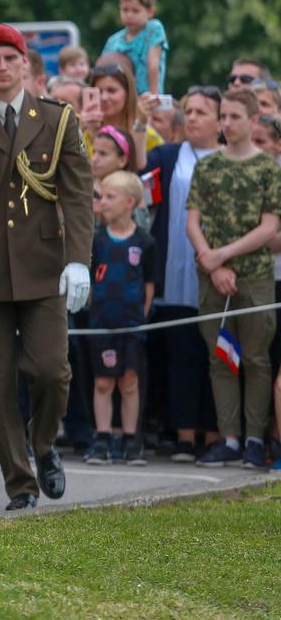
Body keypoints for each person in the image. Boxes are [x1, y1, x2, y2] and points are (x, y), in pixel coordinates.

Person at [0, 23, 92, 510]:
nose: (2, 68)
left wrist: (77, 262)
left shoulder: (56, 119)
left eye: (10, 59)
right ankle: (19, 483)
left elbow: (76, 197)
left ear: (28, 66)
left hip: (43, 265)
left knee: (53, 370)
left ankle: (45, 443)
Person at [186, 88, 281, 468]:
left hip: (255, 275)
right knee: (220, 357)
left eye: (234, 117)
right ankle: (228, 439)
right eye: (222, 116)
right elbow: (193, 221)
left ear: (254, 120)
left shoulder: (268, 168)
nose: (226, 124)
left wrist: (224, 255)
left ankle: (255, 439)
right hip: (212, 276)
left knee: (256, 358)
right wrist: (213, 264)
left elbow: (270, 226)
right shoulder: (207, 166)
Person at [141, 87, 222, 462]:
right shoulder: (171, 155)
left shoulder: (229, 161)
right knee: (181, 355)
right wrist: (141, 123)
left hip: (219, 274)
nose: (191, 118)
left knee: (218, 358)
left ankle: (216, 433)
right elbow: (139, 173)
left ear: (220, 121)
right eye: (187, 111)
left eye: (201, 112)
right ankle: (185, 434)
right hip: (174, 274)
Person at [84, 171, 156, 466]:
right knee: (103, 381)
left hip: (131, 324)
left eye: (110, 197)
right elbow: (89, 280)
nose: (103, 203)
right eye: (101, 197)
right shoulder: (96, 240)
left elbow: (149, 286)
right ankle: (102, 437)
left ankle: (130, 440)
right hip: (102, 322)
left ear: (130, 203)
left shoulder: (144, 242)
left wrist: (141, 316)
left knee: (129, 382)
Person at [82, 54, 161, 170]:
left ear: (128, 94)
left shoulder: (144, 132)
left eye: (111, 91)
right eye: (99, 91)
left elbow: (140, 165)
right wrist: (78, 130)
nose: (104, 97)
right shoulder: (82, 127)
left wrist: (141, 123)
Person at [100, 0, 167, 95]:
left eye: (135, 11)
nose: (129, 15)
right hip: (123, 103)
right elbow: (102, 72)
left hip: (148, 97)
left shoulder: (153, 30)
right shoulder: (113, 42)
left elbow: (153, 64)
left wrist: (154, 96)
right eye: (125, 10)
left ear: (150, 11)